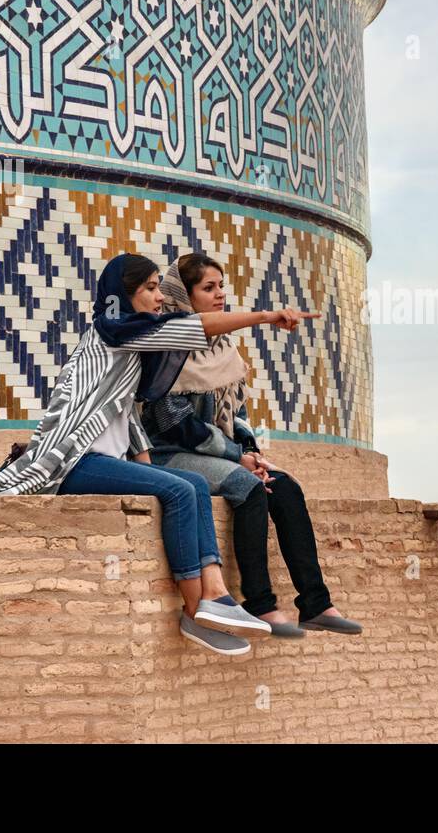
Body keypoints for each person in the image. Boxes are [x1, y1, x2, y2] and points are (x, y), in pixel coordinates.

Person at [0, 253, 311, 656]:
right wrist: (266, 317)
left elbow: (124, 415)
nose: (158, 297)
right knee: (181, 491)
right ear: (125, 294)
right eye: (149, 289)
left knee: (190, 483)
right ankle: (198, 608)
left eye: (158, 287)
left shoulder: (128, 346)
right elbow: (195, 326)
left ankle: (213, 599)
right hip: (72, 461)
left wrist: (148, 465)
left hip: (102, 462)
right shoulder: (115, 331)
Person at [139, 252, 362, 638]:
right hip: (168, 453)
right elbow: (172, 422)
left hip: (219, 449)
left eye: (221, 286)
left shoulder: (222, 345)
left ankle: (315, 603)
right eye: (208, 288)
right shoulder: (167, 347)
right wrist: (236, 458)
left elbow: (234, 412)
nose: (220, 294)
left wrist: (251, 452)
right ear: (184, 295)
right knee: (248, 488)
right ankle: (260, 606)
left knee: (285, 486)